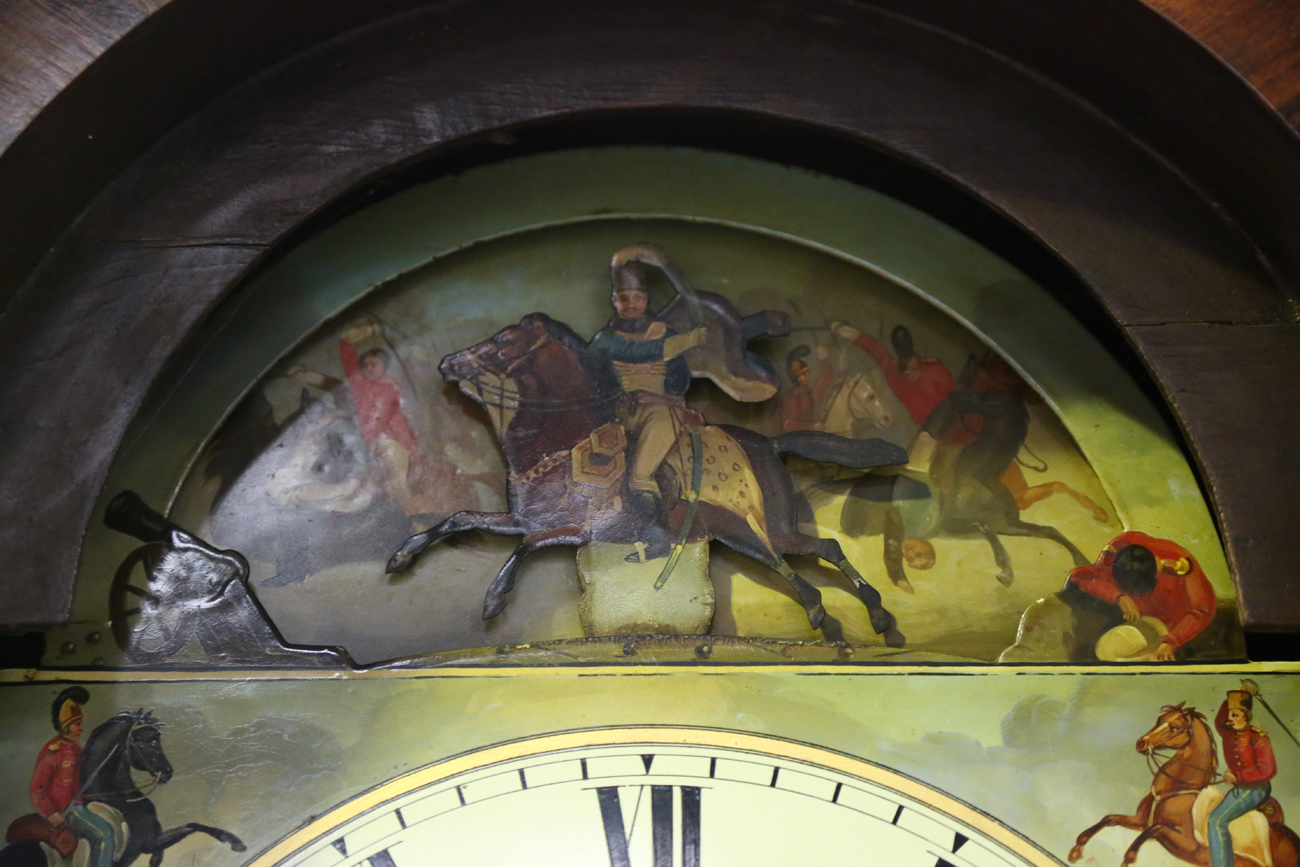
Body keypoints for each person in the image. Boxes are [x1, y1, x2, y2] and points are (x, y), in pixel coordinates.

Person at [588, 251, 707, 539]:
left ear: (646, 299)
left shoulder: (664, 332)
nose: (631, 305)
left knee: (640, 474)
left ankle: (657, 537)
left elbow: (679, 377)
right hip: (618, 413)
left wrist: (665, 398)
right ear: (614, 301)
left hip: (660, 410)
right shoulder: (605, 340)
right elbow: (624, 357)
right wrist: (688, 340)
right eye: (623, 298)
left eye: (637, 298)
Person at [1067, 530, 1215, 660]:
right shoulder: (1117, 550)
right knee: (1106, 651)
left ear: (1155, 573)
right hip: (1136, 622)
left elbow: (1201, 610)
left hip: (1174, 628)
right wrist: (1119, 597)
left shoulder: (1182, 565)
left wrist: (1171, 642)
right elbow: (1080, 576)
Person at [30, 687, 116, 867]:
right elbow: (37, 789)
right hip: (66, 811)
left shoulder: (77, 748)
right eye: (77, 723)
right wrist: (50, 813)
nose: (81, 727)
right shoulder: (53, 751)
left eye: (80, 723)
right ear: (65, 725)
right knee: (104, 834)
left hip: (79, 804)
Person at [831, 321, 954, 427]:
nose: (910, 374)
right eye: (906, 371)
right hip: (920, 430)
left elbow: (953, 399)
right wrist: (844, 330)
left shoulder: (936, 370)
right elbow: (874, 348)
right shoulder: (891, 369)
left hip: (948, 424)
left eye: (913, 369)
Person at [1209, 683, 1276, 867]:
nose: (1231, 719)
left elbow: (1268, 770)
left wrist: (1238, 777)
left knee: (1216, 821)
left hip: (1256, 788)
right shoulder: (1228, 733)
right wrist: (1237, 694)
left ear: (1246, 716)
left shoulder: (1258, 737)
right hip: (1239, 787)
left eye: (1236, 715)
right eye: (1231, 714)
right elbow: (1219, 721)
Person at [779, 345, 834, 432]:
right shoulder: (794, 397)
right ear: (795, 379)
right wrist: (812, 427)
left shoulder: (810, 391)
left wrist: (824, 359)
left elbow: (826, 379)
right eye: (800, 375)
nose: (805, 377)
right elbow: (788, 424)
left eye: (806, 373)